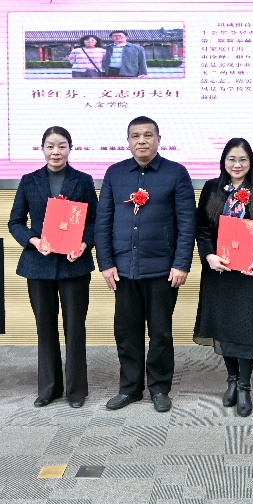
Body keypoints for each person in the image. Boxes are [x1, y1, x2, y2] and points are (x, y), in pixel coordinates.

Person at [96, 116, 195, 412]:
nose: (142, 141)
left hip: (163, 269)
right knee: (127, 332)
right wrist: (106, 263)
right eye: (135, 136)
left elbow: (187, 223)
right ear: (128, 141)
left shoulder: (176, 173)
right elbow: (103, 222)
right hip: (123, 269)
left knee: (161, 332)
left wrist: (181, 264)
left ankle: (160, 388)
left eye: (148, 135)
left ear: (158, 139)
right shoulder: (115, 174)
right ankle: (130, 388)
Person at [8, 126, 97, 408]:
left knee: (75, 328)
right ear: (42, 149)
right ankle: (49, 388)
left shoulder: (83, 181)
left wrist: (84, 244)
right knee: (45, 328)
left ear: (70, 148)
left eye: (61, 146)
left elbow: (94, 221)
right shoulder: (29, 180)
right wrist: (33, 240)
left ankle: (76, 390)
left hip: (74, 265)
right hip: (39, 265)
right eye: (50, 146)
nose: (55, 152)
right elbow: (15, 222)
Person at [193, 138, 253, 417]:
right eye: (232, 159)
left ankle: (244, 385)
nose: (237, 165)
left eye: (243, 159)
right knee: (224, 326)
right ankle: (231, 380)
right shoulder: (211, 188)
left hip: (250, 272)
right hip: (219, 271)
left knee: (247, 327)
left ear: (251, 162)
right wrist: (208, 255)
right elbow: (201, 228)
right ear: (223, 161)